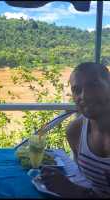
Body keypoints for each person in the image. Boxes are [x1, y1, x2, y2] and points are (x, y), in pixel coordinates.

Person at [40, 62, 110, 198]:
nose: (84, 96)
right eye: (77, 90)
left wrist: (73, 190)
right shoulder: (75, 132)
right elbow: (88, 183)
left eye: (93, 85)